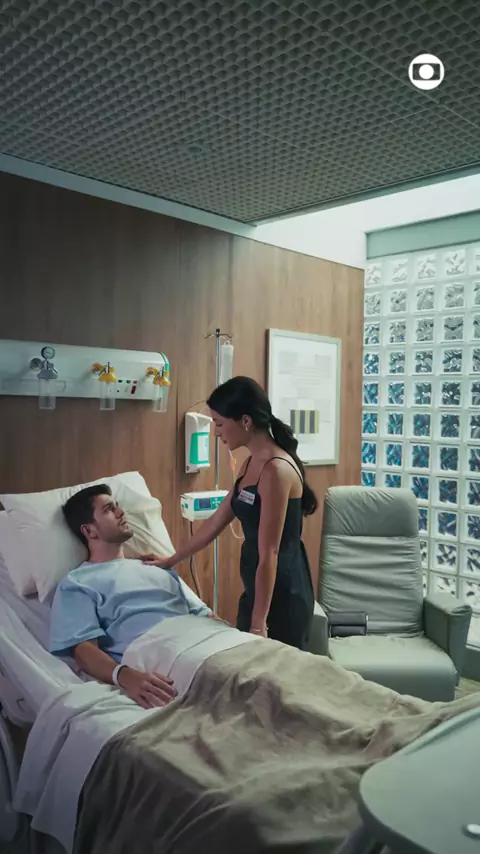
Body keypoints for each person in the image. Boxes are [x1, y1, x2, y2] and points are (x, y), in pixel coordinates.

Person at [145, 376, 317, 650]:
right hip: (257, 591)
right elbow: (216, 521)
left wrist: (258, 624)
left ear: (245, 421)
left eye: (219, 423)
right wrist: (171, 560)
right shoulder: (251, 463)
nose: (216, 432)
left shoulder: (276, 470)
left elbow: (270, 553)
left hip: (282, 596)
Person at [50, 483, 215, 709]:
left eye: (117, 506)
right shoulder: (78, 582)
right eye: (109, 510)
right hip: (169, 655)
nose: (121, 512)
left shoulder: (157, 567)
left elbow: (207, 616)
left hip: (209, 641)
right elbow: (83, 649)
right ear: (89, 531)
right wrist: (125, 676)